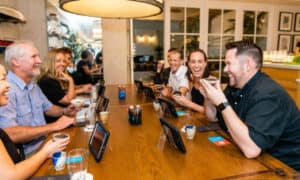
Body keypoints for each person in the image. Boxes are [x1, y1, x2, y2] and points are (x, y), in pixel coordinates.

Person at [200, 40, 300, 171]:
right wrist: (209, 97)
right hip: (256, 158)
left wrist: (222, 103)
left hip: (284, 168)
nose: (225, 69)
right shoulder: (235, 85)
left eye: (229, 64)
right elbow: (213, 117)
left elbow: (251, 150)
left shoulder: (268, 94)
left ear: (247, 65)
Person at [0, 40, 75, 156]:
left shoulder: (33, 86)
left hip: (46, 143)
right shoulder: (6, 91)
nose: (39, 61)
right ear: (16, 62)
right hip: (29, 154)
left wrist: (65, 110)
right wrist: (54, 126)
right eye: (34, 57)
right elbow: (10, 134)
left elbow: (49, 108)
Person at [0, 63, 69, 179]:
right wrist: (45, 152)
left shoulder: (33, 86)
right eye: (2, 80)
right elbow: (10, 176)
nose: (8, 85)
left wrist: (65, 111)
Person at [37, 49, 76, 123]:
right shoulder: (47, 81)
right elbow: (69, 100)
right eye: (58, 61)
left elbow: (72, 96)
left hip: (62, 119)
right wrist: (71, 80)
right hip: (54, 123)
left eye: (64, 61)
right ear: (51, 62)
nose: (63, 64)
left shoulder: (57, 78)